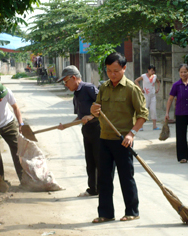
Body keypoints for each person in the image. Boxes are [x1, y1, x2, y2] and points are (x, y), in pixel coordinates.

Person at [90, 52, 149, 223]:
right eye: (109, 71)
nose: (112, 74)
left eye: (116, 70)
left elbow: (142, 114)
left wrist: (132, 134)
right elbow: (96, 108)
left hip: (123, 140)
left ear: (124, 68)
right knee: (104, 178)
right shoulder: (103, 88)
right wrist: (93, 111)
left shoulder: (131, 89)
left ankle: (132, 211)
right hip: (104, 138)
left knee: (126, 177)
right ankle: (105, 213)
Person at [56, 65, 100, 197]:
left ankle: (101, 190)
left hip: (98, 130)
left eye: (66, 81)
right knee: (90, 161)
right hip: (87, 131)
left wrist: (91, 116)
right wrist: (66, 125)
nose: (65, 85)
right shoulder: (76, 94)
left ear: (73, 78)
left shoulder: (89, 88)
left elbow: (104, 106)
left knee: (99, 161)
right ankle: (92, 189)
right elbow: (80, 117)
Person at [134, 65, 161, 130]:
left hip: (153, 95)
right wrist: (140, 89)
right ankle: (141, 126)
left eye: (153, 71)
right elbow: (136, 81)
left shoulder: (154, 77)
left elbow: (158, 82)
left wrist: (158, 89)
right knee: (144, 110)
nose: (153, 72)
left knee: (153, 110)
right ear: (148, 70)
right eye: (151, 70)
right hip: (145, 95)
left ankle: (154, 126)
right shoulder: (143, 76)